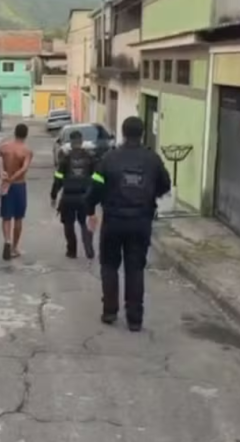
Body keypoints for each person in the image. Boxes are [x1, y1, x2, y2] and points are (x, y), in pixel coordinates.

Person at [85, 116, 171, 332]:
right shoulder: (152, 159)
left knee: (109, 266)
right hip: (140, 222)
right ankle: (135, 319)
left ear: (123, 133)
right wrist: (150, 196)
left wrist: (90, 210)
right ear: (142, 134)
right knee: (135, 269)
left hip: (113, 221)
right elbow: (165, 184)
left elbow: (95, 187)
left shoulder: (109, 159)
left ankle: (110, 311)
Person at [50, 130, 96, 259]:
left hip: (69, 196)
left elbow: (58, 178)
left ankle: (72, 250)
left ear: (71, 143)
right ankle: (88, 248)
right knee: (84, 223)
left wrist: (53, 195)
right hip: (85, 197)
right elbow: (96, 177)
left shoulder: (66, 158)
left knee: (68, 224)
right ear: (81, 142)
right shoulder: (89, 157)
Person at [0, 123, 34, 260]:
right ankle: (14, 247)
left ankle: (7, 240)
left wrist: (3, 174)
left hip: (6, 185)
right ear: (26, 134)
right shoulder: (26, 151)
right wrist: (12, 179)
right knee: (18, 217)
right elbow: (24, 168)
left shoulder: (4, 147)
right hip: (18, 185)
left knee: (6, 216)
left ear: (15, 132)